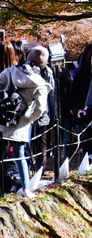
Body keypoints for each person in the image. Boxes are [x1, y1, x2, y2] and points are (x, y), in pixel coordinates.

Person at [1, 42, 52, 198]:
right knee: (20, 155)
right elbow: (40, 108)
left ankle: (2, 191)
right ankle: (26, 188)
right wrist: (27, 119)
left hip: (3, 118)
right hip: (21, 123)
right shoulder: (40, 83)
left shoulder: (11, 71)